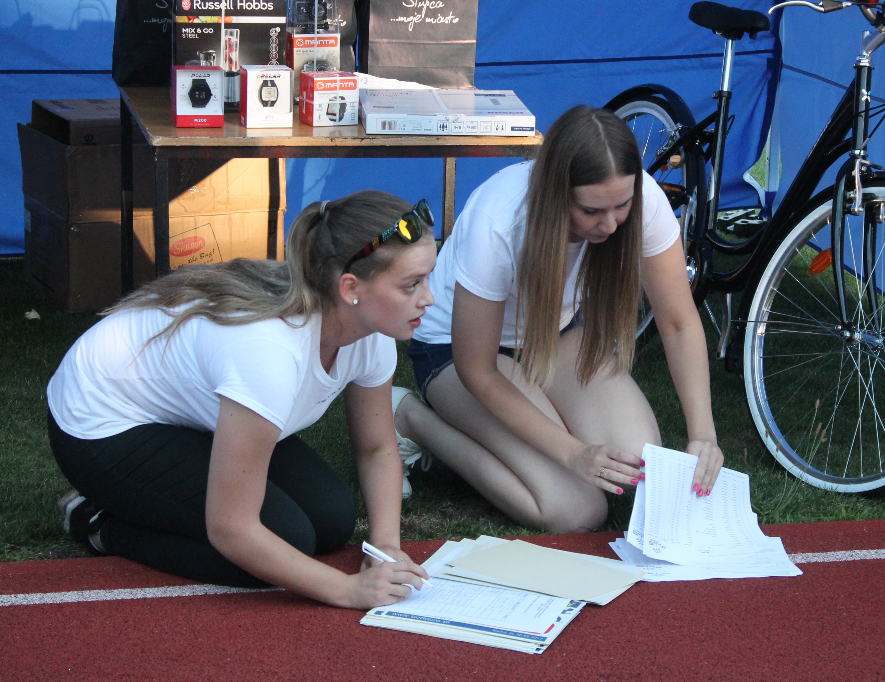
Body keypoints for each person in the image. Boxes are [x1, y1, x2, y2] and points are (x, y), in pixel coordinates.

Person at [47, 190, 434, 609]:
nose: (428, 298)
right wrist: (347, 590)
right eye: (411, 284)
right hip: (100, 423)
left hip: (189, 416)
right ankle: (99, 522)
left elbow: (377, 448)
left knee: (332, 520)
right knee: (272, 546)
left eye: (427, 278)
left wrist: (385, 548)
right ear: (350, 288)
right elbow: (231, 529)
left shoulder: (368, 329)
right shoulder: (269, 350)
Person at [395, 105, 725, 532]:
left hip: (553, 335)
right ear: (555, 192)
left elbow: (678, 322)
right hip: (456, 354)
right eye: (590, 211)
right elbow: (478, 370)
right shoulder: (499, 217)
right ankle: (410, 419)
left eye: (622, 205)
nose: (609, 224)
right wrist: (572, 452)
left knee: (634, 461)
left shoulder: (642, 199)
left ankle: (543, 421)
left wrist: (704, 434)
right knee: (575, 510)